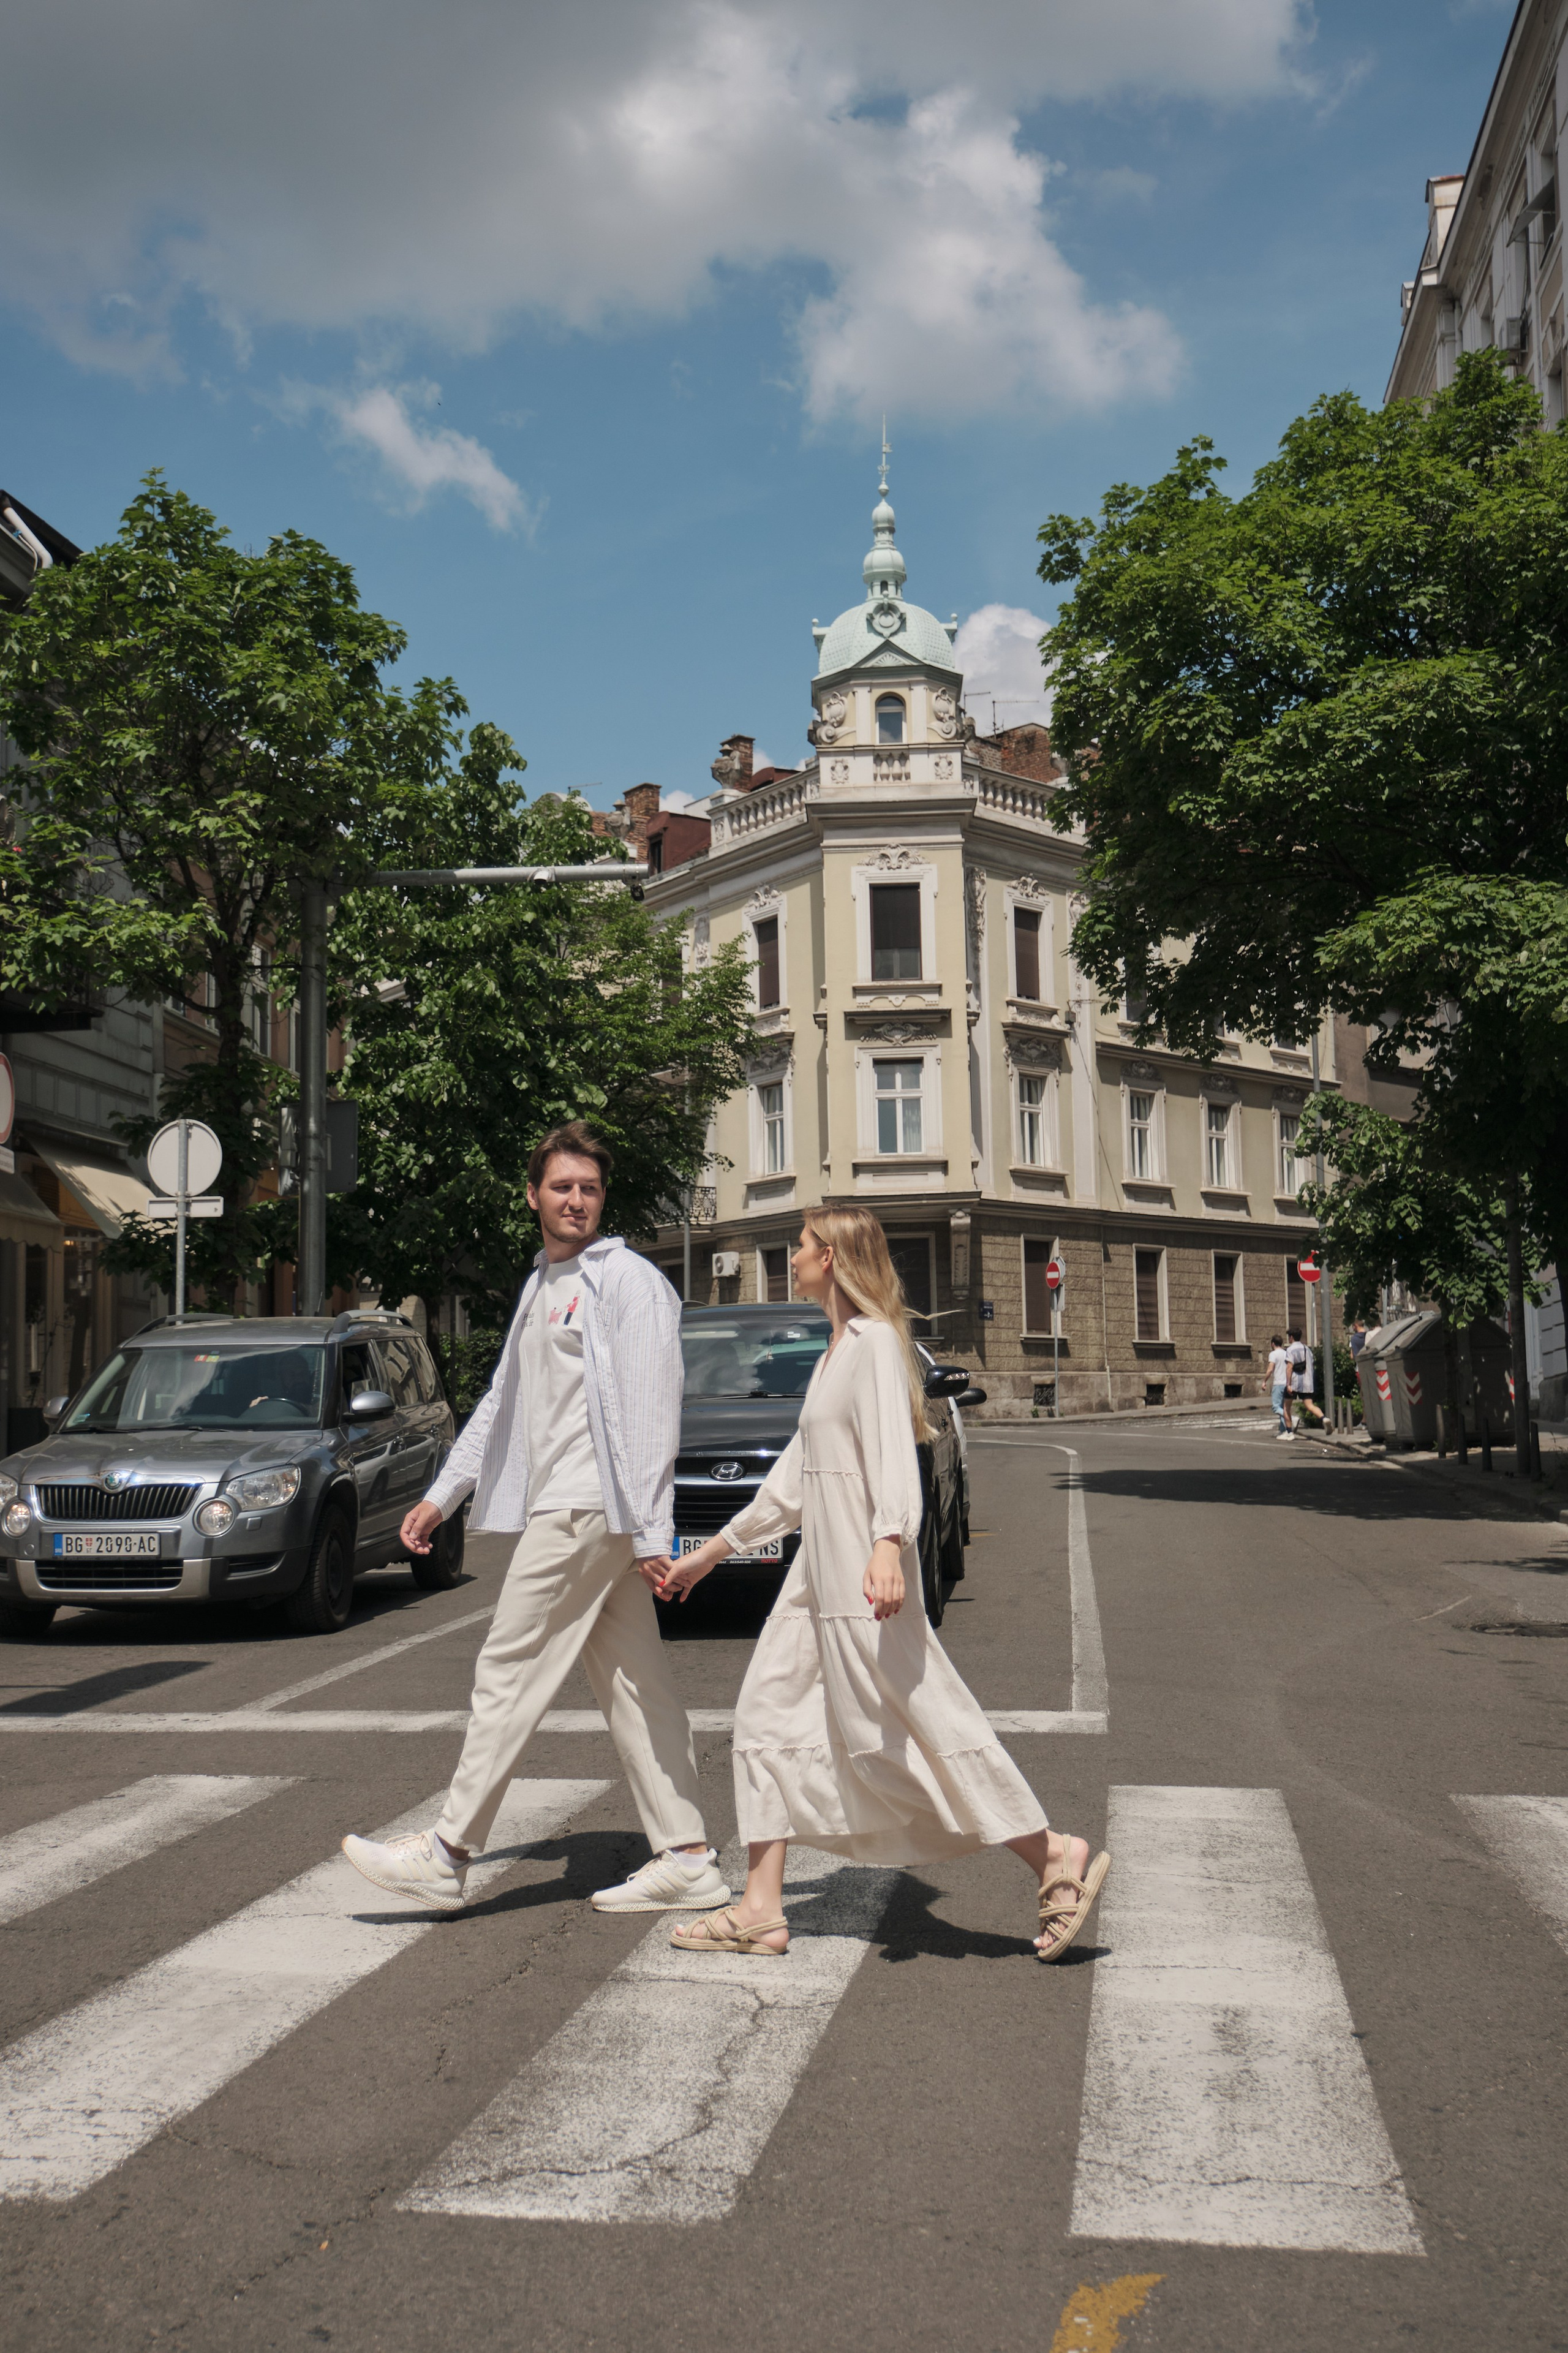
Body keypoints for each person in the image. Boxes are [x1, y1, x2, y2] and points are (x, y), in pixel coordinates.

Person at [657, 1207, 1109, 1963]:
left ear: (830, 1258)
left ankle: (1052, 1852)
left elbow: (897, 1456)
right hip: (815, 1579)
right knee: (766, 1719)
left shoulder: (870, 1345)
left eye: (800, 1246)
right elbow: (796, 1478)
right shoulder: (835, 1349)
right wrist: (710, 1554)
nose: (792, 1256)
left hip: (858, 1578)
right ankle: (761, 1907)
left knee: (920, 1726)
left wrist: (889, 1545)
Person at [341, 1122, 728, 1920]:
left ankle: (448, 1853)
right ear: (534, 1195)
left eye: (588, 1188)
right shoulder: (544, 1285)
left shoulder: (627, 1282)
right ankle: (688, 1855)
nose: (576, 1200)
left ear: (602, 1198)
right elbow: (501, 1403)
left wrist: (654, 1530)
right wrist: (442, 1493)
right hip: (581, 1506)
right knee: (634, 1685)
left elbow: (656, 1410)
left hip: (591, 1506)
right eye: (562, 1186)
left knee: (507, 1667)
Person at [1287, 1326, 1325, 1429]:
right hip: (1307, 1382)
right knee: (1309, 1405)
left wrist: (1288, 1384)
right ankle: (1324, 1419)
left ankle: (1289, 1432)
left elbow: (1290, 1368)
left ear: (1291, 1337)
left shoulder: (1290, 1350)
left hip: (1294, 1383)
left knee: (1286, 1408)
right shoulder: (1307, 1349)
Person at [1267, 1334, 1294, 1440]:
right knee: (1283, 1407)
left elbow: (1270, 1369)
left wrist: (1265, 1381)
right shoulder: (1286, 1353)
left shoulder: (1273, 1354)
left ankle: (1292, 1419)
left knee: (1276, 1407)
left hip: (1278, 1383)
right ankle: (1285, 1430)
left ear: (1273, 1344)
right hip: (1286, 1383)